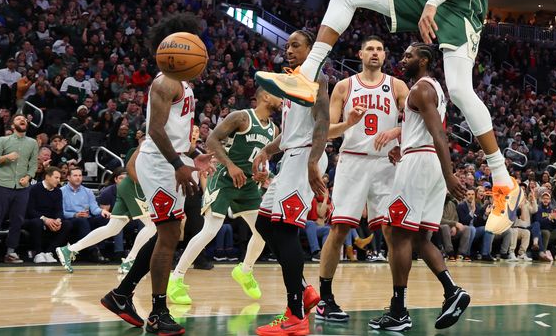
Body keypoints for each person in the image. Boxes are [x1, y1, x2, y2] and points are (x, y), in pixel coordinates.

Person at [254, 0, 522, 235]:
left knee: (461, 90)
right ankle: (305, 74)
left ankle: (501, 178)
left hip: (460, 0)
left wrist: (433, 3)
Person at [99, 13, 213, 336]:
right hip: (160, 164)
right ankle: (157, 312)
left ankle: (121, 295)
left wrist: (192, 155)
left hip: (171, 161)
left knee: (170, 234)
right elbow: (155, 130)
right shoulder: (166, 81)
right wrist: (179, 165)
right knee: (168, 235)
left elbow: (174, 133)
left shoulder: (182, 81)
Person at [368, 43, 470, 332]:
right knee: (419, 238)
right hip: (426, 164)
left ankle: (399, 311)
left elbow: (439, 133)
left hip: (421, 166)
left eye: (409, 56)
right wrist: (404, 147)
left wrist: (450, 174)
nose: (403, 59)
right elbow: (427, 131)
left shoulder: (420, 90)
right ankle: (452, 291)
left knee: (396, 233)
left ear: (423, 60)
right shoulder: (434, 89)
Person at [316, 35, 409, 322]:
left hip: (386, 164)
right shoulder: (345, 86)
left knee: (393, 233)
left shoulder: (397, 86)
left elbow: (417, 123)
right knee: (339, 230)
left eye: (379, 49)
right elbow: (328, 132)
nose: (375, 53)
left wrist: (397, 136)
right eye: (369, 48)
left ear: (385, 55)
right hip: (353, 161)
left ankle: (397, 304)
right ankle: (325, 299)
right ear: (359, 53)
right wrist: (349, 123)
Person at [167, 87, 282, 305]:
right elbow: (211, 140)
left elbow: (261, 156)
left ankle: (245, 271)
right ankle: (176, 278)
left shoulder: (274, 129)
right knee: (210, 229)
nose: (282, 98)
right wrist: (229, 166)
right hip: (224, 178)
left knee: (264, 231)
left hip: (248, 183)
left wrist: (263, 171)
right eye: (277, 94)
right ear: (265, 96)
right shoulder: (240, 117)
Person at [252, 30, 329, 336]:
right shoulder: (290, 81)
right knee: (263, 223)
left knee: (285, 230)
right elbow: (292, 130)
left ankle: (295, 314)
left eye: (296, 45)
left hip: (304, 158)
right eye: (287, 46)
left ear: (312, 49)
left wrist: (313, 162)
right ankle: (305, 291)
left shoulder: (317, 77)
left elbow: (322, 122)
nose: (289, 50)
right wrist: (267, 149)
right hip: (291, 157)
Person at [56, 146, 156, 274]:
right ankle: (130, 260)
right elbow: (132, 164)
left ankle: (69, 250)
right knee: (152, 225)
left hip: (131, 185)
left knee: (112, 228)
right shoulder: (152, 143)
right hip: (135, 186)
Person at [0, 114, 38, 263]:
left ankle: (11, 252)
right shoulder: (2, 140)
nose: (22, 120)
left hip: (22, 187)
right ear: (13, 125)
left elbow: (33, 164)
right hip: (3, 185)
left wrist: (28, 177)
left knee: (17, 220)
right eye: (19, 119)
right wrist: (6, 157)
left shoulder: (32, 143)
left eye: (24, 119)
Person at [25, 166, 73, 263]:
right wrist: (45, 219)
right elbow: (30, 210)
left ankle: (49, 252)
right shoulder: (34, 189)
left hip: (51, 220)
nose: (58, 180)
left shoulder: (58, 191)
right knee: (37, 222)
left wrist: (58, 220)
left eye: (59, 178)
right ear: (47, 177)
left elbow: (59, 210)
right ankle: (38, 253)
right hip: (34, 218)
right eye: (56, 178)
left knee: (67, 224)